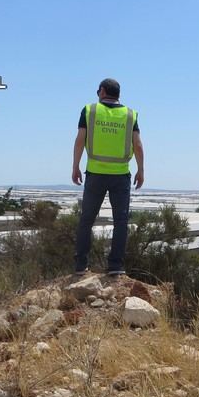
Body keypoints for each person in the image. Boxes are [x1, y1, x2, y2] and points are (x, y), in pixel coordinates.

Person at [72, 78, 144, 275]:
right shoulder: (130, 115)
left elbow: (80, 141)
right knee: (120, 222)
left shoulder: (89, 111)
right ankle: (115, 266)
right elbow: (137, 144)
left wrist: (75, 166)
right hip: (121, 175)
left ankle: (80, 265)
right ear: (118, 94)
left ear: (102, 91)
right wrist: (141, 169)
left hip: (95, 173)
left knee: (87, 219)